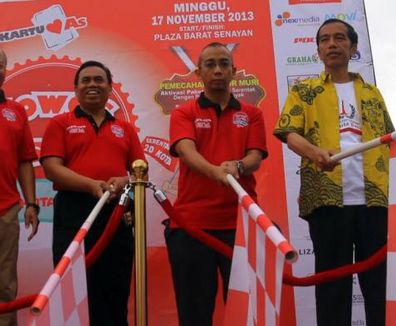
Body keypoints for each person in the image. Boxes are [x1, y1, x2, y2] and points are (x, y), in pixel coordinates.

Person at [274, 19, 394, 326]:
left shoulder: (372, 93)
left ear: (353, 48)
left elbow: (390, 140)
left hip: (375, 201)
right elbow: (288, 132)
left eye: (339, 38)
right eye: (324, 39)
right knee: (331, 287)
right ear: (317, 50)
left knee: (380, 286)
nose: (331, 44)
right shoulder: (304, 91)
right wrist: (314, 153)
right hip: (326, 201)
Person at [167, 42, 268, 326]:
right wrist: (216, 172)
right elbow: (186, 151)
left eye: (224, 64)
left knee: (248, 312)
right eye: (210, 65)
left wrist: (238, 166)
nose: (218, 70)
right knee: (195, 313)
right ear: (198, 72)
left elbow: (255, 156)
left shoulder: (252, 113)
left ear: (234, 71)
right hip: (192, 226)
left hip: (242, 226)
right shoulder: (184, 112)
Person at [40, 61, 145, 326]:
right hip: (74, 212)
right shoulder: (60, 124)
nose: (92, 84)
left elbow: (139, 173)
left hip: (116, 214)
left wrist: (123, 180)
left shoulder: (126, 129)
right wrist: (89, 184)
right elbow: (52, 168)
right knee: (73, 287)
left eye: (99, 80)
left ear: (110, 88)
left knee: (115, 286)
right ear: (75, 89)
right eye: (85, 80)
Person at [0, 48, 39, 326]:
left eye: (0, 64)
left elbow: (26, 161)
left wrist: (32, 203)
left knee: (5, 282)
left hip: (6, 209)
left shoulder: (16, 111)